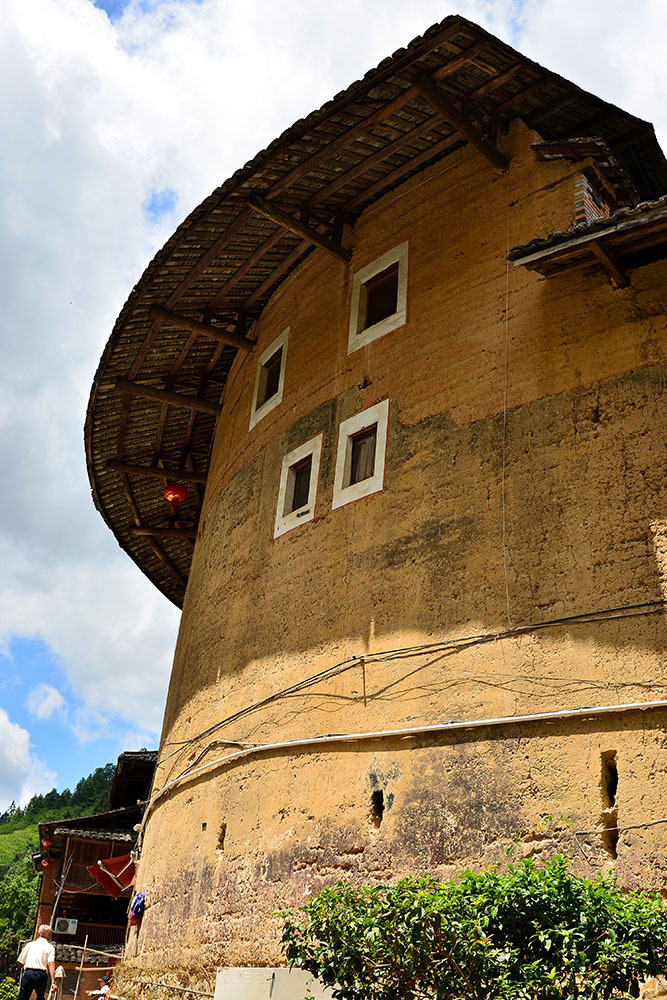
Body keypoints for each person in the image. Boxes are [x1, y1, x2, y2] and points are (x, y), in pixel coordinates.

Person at [17, 925, 56, 1000]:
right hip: (41, 975)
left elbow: (21, 963)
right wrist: (53, 982)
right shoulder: (50, 947)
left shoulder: (30, 945)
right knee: (40, 997)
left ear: (38, 932)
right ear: (49, 935)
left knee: (22, 997)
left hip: (29, 973)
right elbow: (51, 964)